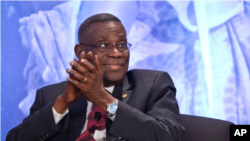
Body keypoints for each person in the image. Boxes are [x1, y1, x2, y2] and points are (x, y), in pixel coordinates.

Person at [6, 13, 184, 141]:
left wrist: (103, 99)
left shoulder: (151, 85)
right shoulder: (51, 95)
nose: (116, 53)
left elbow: (168, 136)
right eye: (104, 44)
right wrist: (62, 103)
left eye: (122, 44)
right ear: (81, 52)